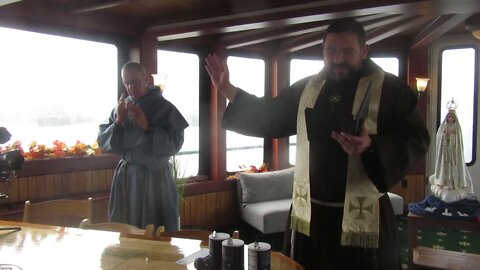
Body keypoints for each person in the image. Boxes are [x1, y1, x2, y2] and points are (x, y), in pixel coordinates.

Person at [205, 18, 430, 270]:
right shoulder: (309, 88)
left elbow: (417, 138)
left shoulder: (390, 90)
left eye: (347, 52)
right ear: (323, 48)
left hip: (364, 220)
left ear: (364, 50)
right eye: (331, 51)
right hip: (311, 216)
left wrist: (371, 145)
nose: (337, 59)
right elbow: (271, 115)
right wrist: (227, 90)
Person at [97, 61, 188, 231]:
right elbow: (104, 142)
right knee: (125, 227)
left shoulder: (165, 108)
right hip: (127, 177)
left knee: (156, 228)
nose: (131, 87)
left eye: (135, 81)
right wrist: (119, 121)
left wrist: (146, 126)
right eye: (126, 83)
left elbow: (175, 144)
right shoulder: (121, 108)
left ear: (146, 79)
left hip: (155, 177)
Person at [429, 99, 474, 203]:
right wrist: (444, 137)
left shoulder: (456, 128)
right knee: (444, 167)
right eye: (449, 116)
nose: (450, 118)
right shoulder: (443, 127)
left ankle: (454, 184)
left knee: (453, 167)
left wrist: (452, 139)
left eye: (452, 117)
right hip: (445, 152)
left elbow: (458, 141)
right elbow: (439, 137)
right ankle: (442, 182)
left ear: (454, 118)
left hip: (453, 152)